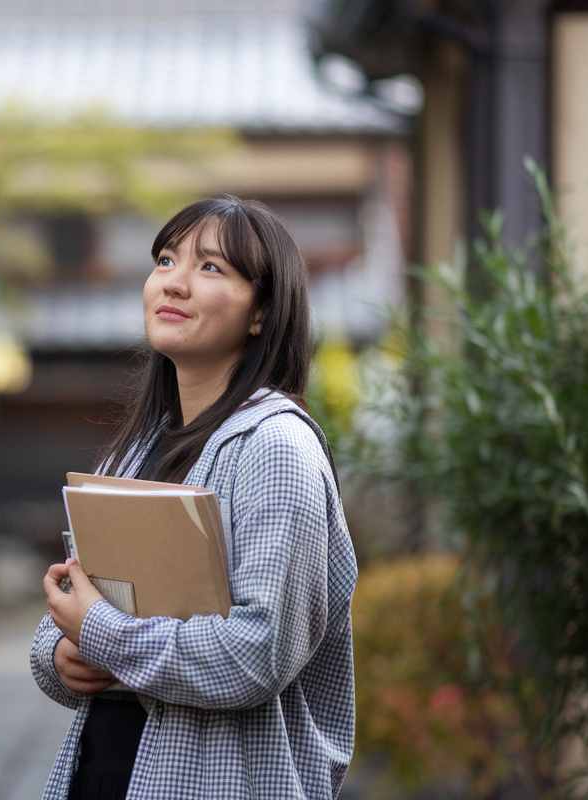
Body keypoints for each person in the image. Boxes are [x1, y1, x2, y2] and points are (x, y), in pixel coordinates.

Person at [31, 195, 357, 800]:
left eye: (210, 268)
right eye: (165, 260)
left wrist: (101, 633)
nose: (173, 283)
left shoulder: (276, 447)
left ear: (261, 312)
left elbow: (256, 653)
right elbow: (83, 611)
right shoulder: (132, 452)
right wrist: (60, 655)